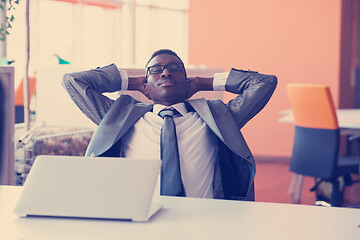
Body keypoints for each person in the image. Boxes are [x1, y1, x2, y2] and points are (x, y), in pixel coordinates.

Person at [62, 49, 277, 201]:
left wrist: (205, 82)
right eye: (155, 70)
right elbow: (73, 81)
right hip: (140, 221)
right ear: (145, 88)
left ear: (187, 82)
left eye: (175, 68)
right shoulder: (119, 116)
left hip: (205, 222)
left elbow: (264, 83)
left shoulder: (217, 117)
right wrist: (130, 81)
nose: (166, 72)